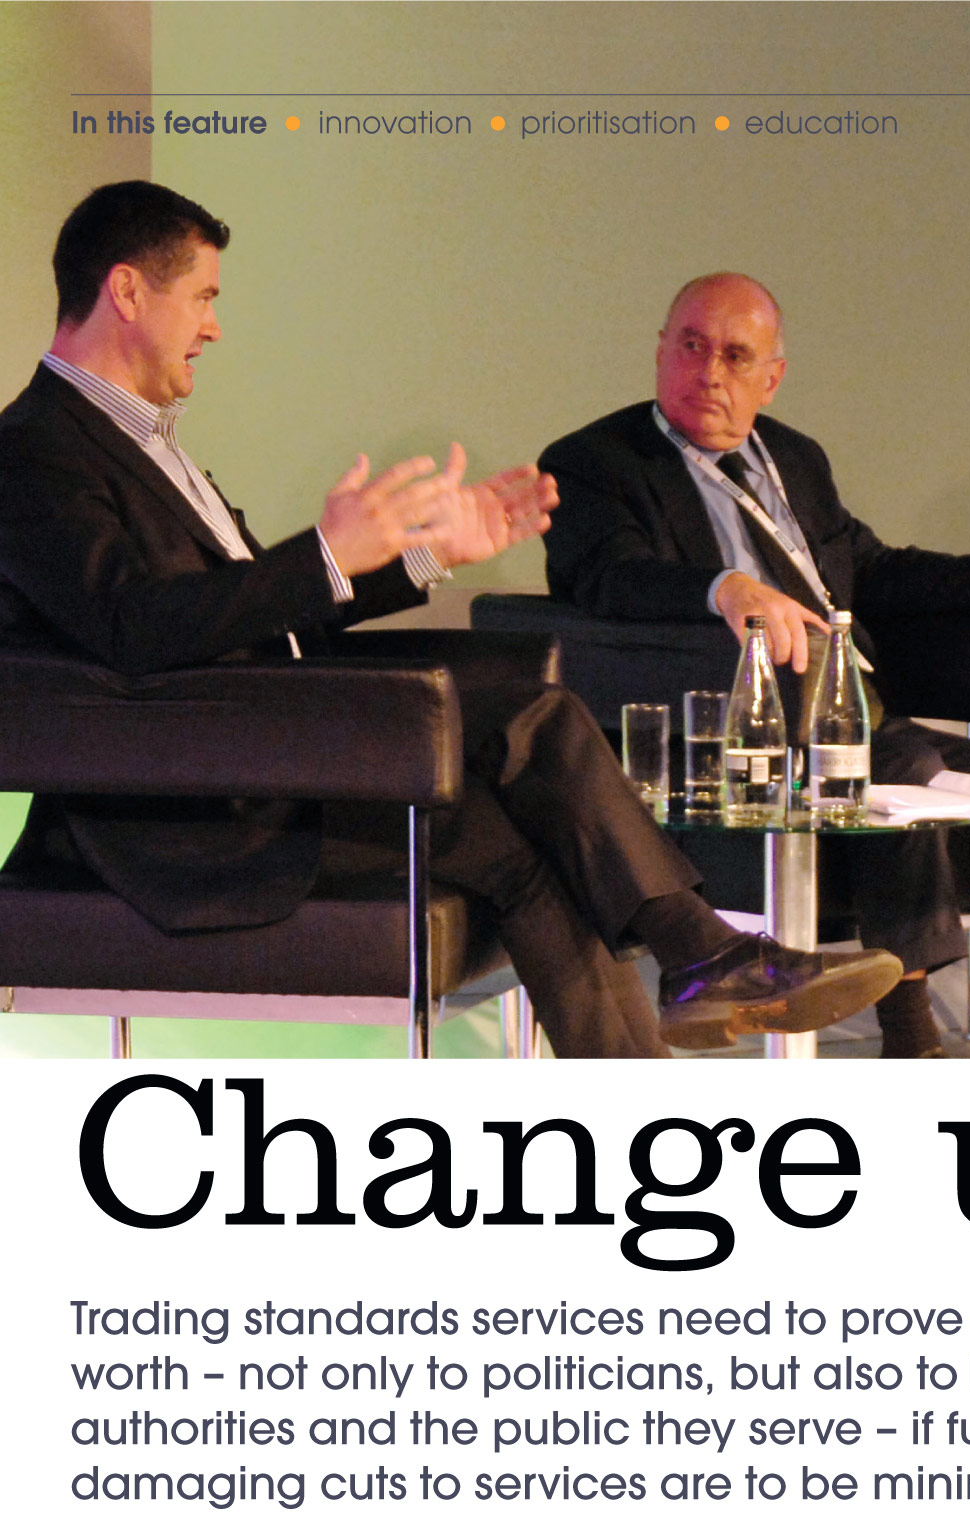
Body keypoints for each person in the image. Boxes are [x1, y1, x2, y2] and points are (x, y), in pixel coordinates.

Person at [0, 191, 901, 1058]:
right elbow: (132, 627)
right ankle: (704, 954)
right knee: (531, 716)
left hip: (260, 755)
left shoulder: (139, 442)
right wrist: (322, 554)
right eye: (203, 297)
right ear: (128, 291)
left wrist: (421, 559)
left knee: (530, 846)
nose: (213, 326)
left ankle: (672, 1034)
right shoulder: (33, 450)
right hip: (182, 810)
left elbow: (260, 625)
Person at [541, 270, 970, 1058]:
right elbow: (610, 577)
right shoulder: (595, 462)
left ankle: (916, 1017)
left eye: (736, 356)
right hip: (733, 733)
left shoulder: (794, 457)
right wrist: (724, 589)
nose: (709, 372)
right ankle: (911, 1033)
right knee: (884, 769)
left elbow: (867, 567)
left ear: (772, 377)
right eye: (691, 347)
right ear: (661, 350)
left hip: (855, 713)